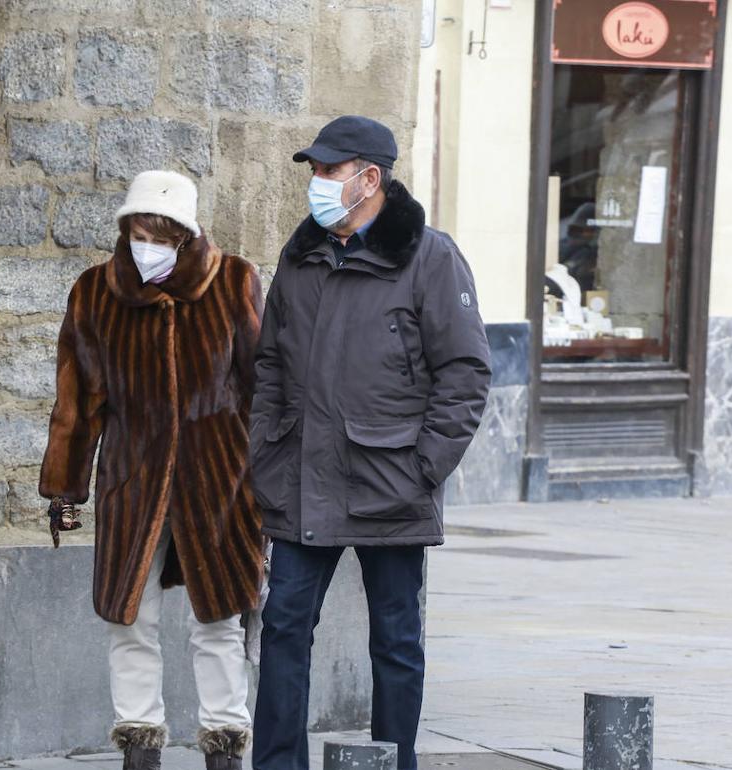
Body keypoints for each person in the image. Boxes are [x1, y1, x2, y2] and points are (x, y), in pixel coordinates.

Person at [250, 116, 491, 770]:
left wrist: (423, 470)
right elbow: (269, 362)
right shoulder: (299, 257)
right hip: (302, 479)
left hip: (391, 481)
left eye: (330, 171)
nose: (318, 183)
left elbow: (466, 372)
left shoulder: (430, 256)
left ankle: (393, 762)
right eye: (316, 172)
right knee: (283, 629)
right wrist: (264, 457)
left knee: (395, 639)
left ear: (369, 178)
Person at [40, 170, 265, 770]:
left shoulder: (235, 283)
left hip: (219, 480)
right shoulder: (94, 293)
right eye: (139, 230)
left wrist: (265, 484)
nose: (149, 243)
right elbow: (77, 399)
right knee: (130, 617)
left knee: (219, 620)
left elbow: (261, 391)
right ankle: (139, 748)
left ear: (186, 236)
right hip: (131, 480)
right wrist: (66, 486)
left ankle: (224, 747)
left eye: (162, 233)